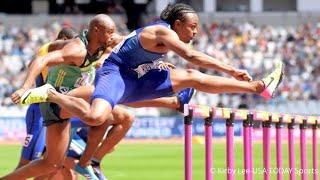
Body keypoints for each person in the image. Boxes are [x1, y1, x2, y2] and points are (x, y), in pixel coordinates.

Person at [17, 3, 283, 128]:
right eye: (192, 27)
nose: (196, 32)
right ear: (177, 25)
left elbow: (128, 43)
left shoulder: (157, 35)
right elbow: (193, 56)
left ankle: (257, 87)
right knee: (96, 117)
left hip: (137, 77)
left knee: (192, 77)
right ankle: (52, 93)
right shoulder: (163, 32)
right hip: (117, 74)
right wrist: (230, 69)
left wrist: (156, 63)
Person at [4, 13, 195, 179]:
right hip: (50, 103)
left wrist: (154, 65)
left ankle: (89, 161)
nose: (112, 36)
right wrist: (24, 87)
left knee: (53, 162)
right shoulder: (74, 49)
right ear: (95, 30)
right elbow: (41, 58)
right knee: (106, 94)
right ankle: (173, 102)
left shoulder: (100, 47)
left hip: (69, 104)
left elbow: (131, 45)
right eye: (109, 32)